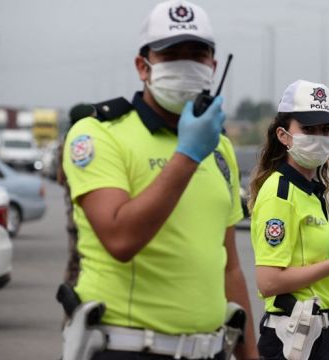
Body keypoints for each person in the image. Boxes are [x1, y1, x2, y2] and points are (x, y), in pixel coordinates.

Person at [61, 1, 258, 359]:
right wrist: (187, 155)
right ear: (143, 65)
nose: (186, 63)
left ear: (213, 66)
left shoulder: (221, 147)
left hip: (211, 349)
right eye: (172, 55)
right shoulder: (98, 134)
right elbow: (120, 238)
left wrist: (250, 355)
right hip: (128, 348)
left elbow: (229, 267)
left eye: (197, 54)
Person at [248, 80, 329, 360]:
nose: (320, 138)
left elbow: (305, 262)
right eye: (308, 129)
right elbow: (269, 282)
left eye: (325, 130)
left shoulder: (313, 191)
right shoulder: (279, 192)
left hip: (319, 333)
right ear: (283, 136)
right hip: (291, 337)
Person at [59, 103, 96, 287]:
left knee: (76, 260)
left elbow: (60, 179)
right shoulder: (79, 142)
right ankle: (72, 308)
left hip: (74, 207)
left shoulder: (67, 141)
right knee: (78, 261)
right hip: (79, 209)